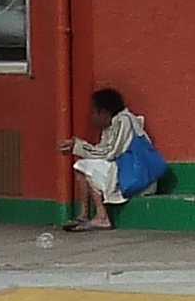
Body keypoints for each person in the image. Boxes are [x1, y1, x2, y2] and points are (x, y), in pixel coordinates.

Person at [63, 84, 150, 229]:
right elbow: (101, 150)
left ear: (103, 112)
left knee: (84, 165)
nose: (92, 117)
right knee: (83, 165)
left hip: (137, 175)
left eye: (93, 112)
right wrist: (77, 147)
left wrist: (78, 147)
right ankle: (84, 215)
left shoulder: (124, 121)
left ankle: (102, 217)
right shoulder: (111, 126)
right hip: (126, 172)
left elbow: (109, 153)